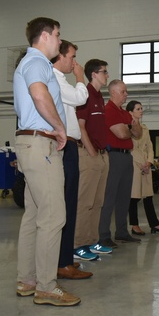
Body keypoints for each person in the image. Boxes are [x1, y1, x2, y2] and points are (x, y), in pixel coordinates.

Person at [13, 17, 80, 307]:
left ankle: (27, 280)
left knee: (34, 215)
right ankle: (46, 287)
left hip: (31, 142)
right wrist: (60, 127)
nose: (59, 40)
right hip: (41, 143)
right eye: (58, 34)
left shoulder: (31, 62)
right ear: (45, 35)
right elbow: (39, 96)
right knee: (54, 217)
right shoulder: (38, 61)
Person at [50, 40, 94, 279]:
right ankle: (62, 262)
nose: (75, 62)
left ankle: (65, 258)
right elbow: (80, 98)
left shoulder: (60, 80)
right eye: (72, 57)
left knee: (70, 206)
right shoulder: (55, 80)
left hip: (70, 146)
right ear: (60, 57)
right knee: (65, 205)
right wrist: (80, 77)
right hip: (65, 145)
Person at [74, 60, 113, 257]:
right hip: (90, 155)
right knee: (85, 202)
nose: (107, 75)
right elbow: (80, 126)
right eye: (104, 72)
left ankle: (92, 241)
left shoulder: (100, 97)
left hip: (101, 155)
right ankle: (78, 245)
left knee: (98, 202)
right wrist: (91, 152)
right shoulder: (85, 94)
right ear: (93, 74)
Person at [98, 79, 141, 246]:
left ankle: (122, 232)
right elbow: (122, 134)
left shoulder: (124, 113)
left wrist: (129, 127)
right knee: (110, 197)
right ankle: (104, 235)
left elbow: (137, 132)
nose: (126, 95)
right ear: (113, 92)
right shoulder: (108, 110)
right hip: (114, 156)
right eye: (123, 92)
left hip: (126, 156)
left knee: (124, 197)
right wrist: (130, 127)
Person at [127, 100, 159, 235]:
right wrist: (139, 163)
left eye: (141, 108)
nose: (141, 111)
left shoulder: (145, 128)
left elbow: (150, 147)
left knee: (148, 195)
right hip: (133, 164)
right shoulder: (126, 128)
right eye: (138, 109)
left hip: (145, 165)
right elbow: (129, 148)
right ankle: (134, 225)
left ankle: (154, 224)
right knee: (133, 197)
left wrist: (150, 162)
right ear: (130, 112)